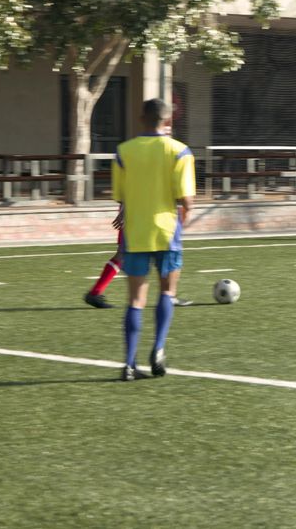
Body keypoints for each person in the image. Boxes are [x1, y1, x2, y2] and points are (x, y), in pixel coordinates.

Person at [111, 98, 195, 381]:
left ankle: (129, 364)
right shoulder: (179, 151)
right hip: (167, 231)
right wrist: (186, 209)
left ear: (140, 118)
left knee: (135, 299)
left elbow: (121, 197)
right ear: (168, 121)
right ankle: (158, 349)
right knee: (167, 292)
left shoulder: (123, 152)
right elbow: (186, 199)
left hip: (135, 232)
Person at [83, 213, 193, 308]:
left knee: (123, 254)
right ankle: (168, 296)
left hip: (140, 213)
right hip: (139, 214)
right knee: (126, 254)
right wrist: (123, 211)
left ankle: (95, 293)